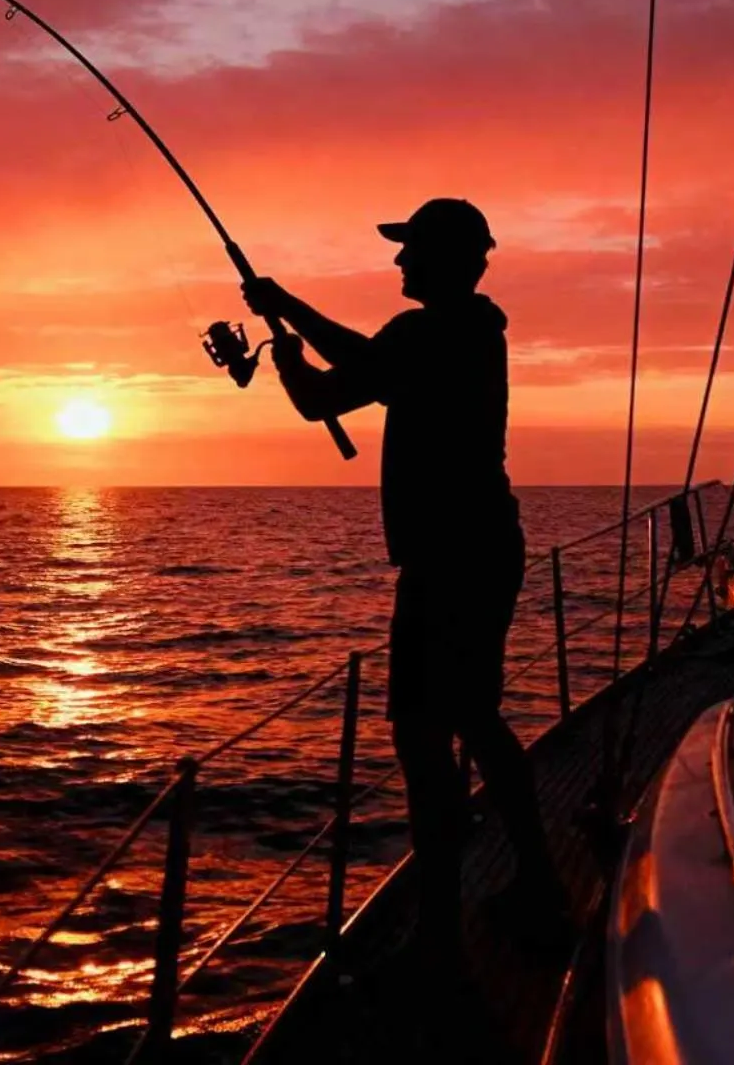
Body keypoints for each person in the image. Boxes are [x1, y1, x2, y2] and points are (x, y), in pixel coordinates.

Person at [242, 197, 567, 973]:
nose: (398, 263)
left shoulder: (442, 332)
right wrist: (288, 355)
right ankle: (534, 887)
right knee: (475, 721)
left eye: (411, 250)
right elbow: (327, 396)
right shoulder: (462, 333)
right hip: (474, 552)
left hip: (454, 561)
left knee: (423, 739)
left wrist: (285, 306)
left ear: (449, 259)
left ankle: (442, 934)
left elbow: (361, 364)